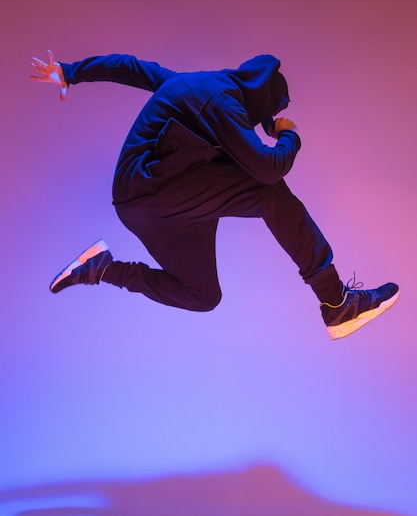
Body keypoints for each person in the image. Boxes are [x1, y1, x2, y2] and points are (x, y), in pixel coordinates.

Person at [30, 50, 399, 340]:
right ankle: (336, 302)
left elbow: (131, 67)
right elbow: (269, 167)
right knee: (268, 191)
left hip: (154, 204)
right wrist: (289, 135)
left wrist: (70, 71)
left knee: (202, 295)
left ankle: (103, 268)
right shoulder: (222, 104)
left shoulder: (192, 85)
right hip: (150, 189)